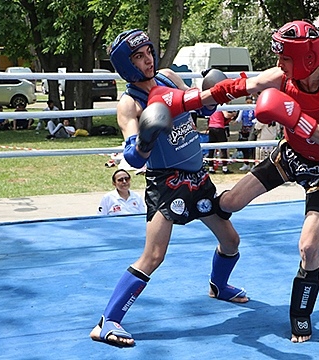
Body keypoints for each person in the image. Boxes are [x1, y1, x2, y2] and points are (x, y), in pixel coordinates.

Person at [89, 29, 247, 348]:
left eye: (148, 52)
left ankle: (218, 286)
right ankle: (107, 322)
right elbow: (132, 155)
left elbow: (200, 109)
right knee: (154, 255)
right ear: (126, 65)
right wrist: (147, 138)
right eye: (138, 57)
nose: (147, 60)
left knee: (231, 240)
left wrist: (211, 95)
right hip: (167, 185)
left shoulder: (169, 77)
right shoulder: (129, 104)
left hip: (198, 178)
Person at [209, 20, 319, 343]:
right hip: (290, 155)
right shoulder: (281, 77)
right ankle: (217, 283)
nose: (279, 64)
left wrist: (298, 120)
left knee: (308, 246)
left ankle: (300, 314)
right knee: (228, 202)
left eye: (286, 57)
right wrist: (197, 99)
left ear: (306, 57)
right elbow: (240, 86)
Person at [235, 96, 256, 171]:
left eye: (250, 102)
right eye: (248, 102)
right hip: (244, 129)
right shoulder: (243, 108)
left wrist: (254, 121)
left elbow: (257, 118)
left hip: (252, 129)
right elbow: (239, 118)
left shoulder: (254, 108)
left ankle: (254, 164)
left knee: (253, 147)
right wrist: (236, 121)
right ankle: (246, 164)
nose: (249, 103)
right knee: (244, 147)